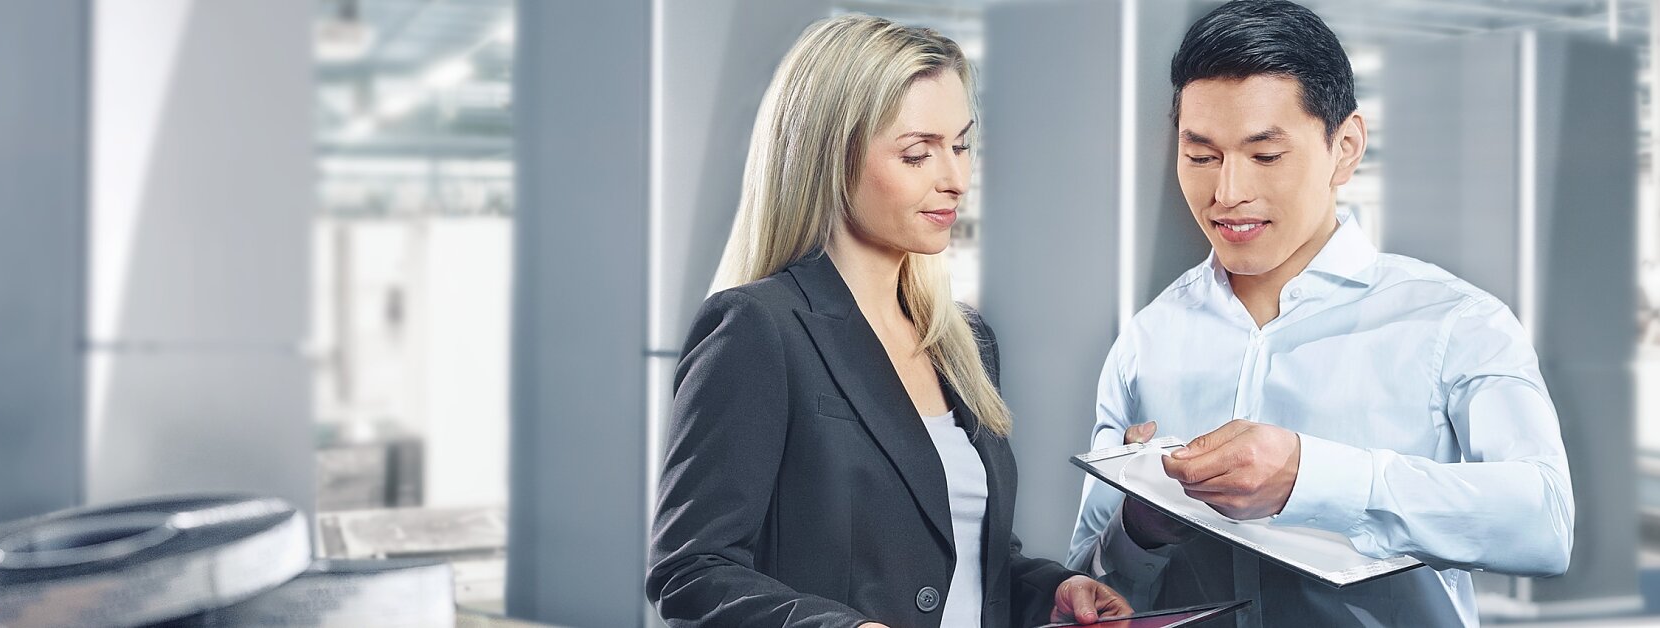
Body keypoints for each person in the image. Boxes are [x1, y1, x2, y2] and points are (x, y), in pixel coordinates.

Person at [1066, 2, 1574, 626]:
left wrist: (1314, 477)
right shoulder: (1147, 339)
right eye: (1201, 156)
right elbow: (1091, 579)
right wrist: (1140, 527)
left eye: (1265, 155)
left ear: (1346, 147)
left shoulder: (1454, 322)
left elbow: (1544, 520)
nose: (1227, 193)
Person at [647, 14, 1130, 628]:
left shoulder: (965, 341)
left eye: (960, 146)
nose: (954, 179)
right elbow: (691, 571)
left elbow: (955, 552)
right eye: (917, 153)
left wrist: (1051, 591)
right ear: (833, 155)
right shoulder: (757, 329)